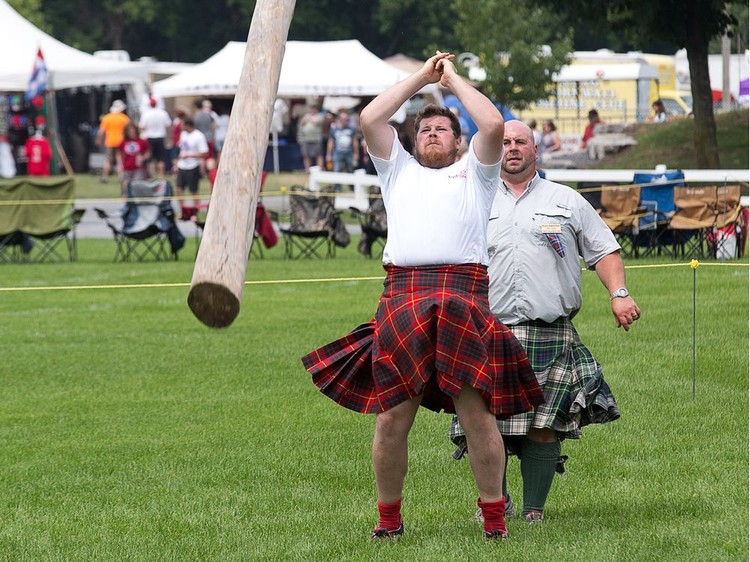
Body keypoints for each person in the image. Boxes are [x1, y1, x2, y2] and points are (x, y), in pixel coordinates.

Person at [302, 52, 543, 541]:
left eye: (442, 129)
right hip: (404, 296)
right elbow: (371, 117)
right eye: (424, 129)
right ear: (411, 141)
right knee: (392, 418)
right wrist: (421, 79)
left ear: (459, 143)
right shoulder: (398, 172)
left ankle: (494, 520)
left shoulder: (477, 174)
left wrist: (450, 78)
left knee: (476, 415)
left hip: (462, 297)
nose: (433, 133)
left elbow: (494, 122)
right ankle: (389, 521)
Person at [452, 120, 640, 524]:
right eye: (504, 142)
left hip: (549, 331)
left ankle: (534, 511)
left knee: (545, 424)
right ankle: (494, 506)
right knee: (487, 427)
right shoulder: (473, 201)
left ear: (537, 151)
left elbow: (604, 251)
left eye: (521, 142)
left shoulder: (566, 201)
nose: (512, 148)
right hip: (489, 330)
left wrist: (619, 293)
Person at [172, 117, 208, 207]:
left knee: (194, 191)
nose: (180, 126)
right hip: (182, 166)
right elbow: (182, 149)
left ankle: (195, 211)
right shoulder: (183, 134)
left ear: (188, 125)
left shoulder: (199, 136)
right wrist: (176, 163)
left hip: (193, 166)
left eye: (182, 124)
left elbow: (204, 153)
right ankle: (183, 210)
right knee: (178, 189)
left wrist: (190, 155)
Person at [95, 99, 130, 183]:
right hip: (121, 142)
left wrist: (98, 140)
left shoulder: (107, 118)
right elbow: (129, 130)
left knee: (108, 160)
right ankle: (121, 177)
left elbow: (101, 131)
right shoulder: (124, 118)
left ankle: (104, 177)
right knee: (120, 160)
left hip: (110, 142)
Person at [138, 96, 172, 178]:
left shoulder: (146, 113)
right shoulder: (163, 113)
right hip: (160, 136)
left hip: (149, 137)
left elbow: (142, 127)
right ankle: (160, 174)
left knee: (149, 157)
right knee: (160, 157)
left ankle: (150, 174)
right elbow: (168, 125)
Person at [117, 123, 150, 197]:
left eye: (133, 130)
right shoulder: (124, 142)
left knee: (137, 185)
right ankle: (125, 200)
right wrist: (119, 164)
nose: (131, 132)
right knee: (125, 184)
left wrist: (143, 158)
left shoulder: (141, 141)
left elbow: (148, 153)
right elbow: (119, 153)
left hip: (139, 168)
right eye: (129, 131)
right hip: (127, 167)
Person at [325, 109, 360, 174]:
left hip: (349, 153)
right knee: (336, 170)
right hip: (337, 152)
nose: (345, 121)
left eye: (347, 119)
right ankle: (337, 184)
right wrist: (328, 154)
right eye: (344, 119)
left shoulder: (351, 129)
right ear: (339, 119)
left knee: (351, 170)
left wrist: (356, 153)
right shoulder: (334, 129)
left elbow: (355, 142)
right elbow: (330, 142)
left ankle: (351, 184)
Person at [296, 104, 324, 173]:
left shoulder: (320, 116)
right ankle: (307, 170)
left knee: (319, 155)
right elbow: (302, 123)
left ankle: (320, 169)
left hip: (316, 139)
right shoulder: (306, 116)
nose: (312, 110)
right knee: (306, 155)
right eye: (311, 109)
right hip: (306, 139)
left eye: (314, 109)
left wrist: (309, 118)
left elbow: (316, 122)